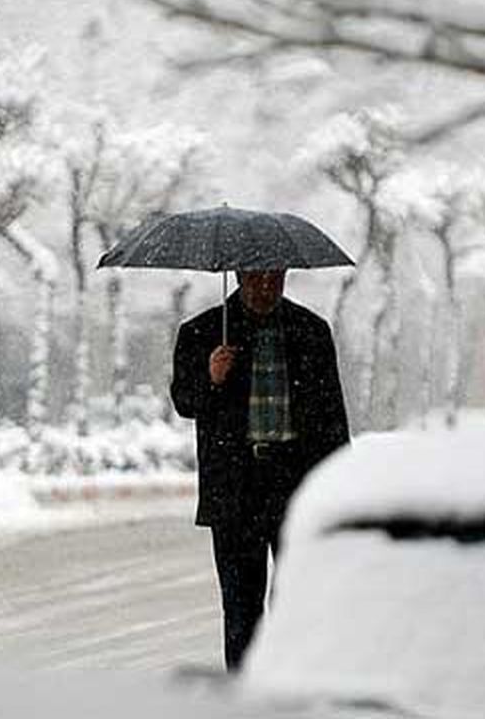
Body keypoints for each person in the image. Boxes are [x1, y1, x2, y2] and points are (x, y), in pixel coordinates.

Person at [170, 269, 350, 671]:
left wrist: (340, 488)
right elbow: (184, 400)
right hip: (235, 490)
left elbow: (332, 418)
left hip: (298, 488)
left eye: (275, 276)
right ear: (238, 275)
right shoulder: (203, 332)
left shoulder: (311, 332)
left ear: (286, 274)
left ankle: (292, 693)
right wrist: (211, 378)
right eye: (257, 277)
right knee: (241, 611)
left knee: (299, 604)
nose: (267, 285)